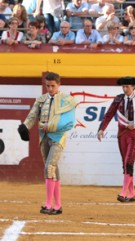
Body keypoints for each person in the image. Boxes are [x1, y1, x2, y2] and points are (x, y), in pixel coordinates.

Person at [18, 72, 78, 215]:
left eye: (53, 86)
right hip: (43, 137)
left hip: (58, 138)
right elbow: (33, 115)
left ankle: (48, 204)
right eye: (48, 86)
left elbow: (69, 122)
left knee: (49, 167)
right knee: (53, 169)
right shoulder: (41, 99)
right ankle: (57, 206)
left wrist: (49, 126)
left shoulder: (66, 100)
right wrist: (25, 126)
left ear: (59, 85)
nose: (50, 89)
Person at [97, 76, 135, 202]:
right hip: (122, 134)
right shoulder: (119, 99)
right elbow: (109, 114)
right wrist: (101, 129)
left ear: (134, 87)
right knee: (126, 163)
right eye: (123, 86)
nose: (125, 89)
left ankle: (123, 193)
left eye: (127, 86)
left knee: (129, 162)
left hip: (134, 134)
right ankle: (132, 193)